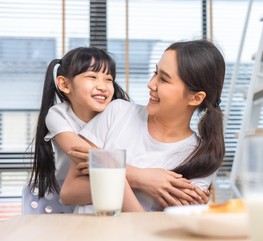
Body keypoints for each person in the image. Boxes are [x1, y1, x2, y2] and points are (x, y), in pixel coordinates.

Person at [61, 39, 226, 212]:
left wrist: (112, 169)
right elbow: (70, 192)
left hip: (137, 238)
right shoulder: (116, 112)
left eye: (163, 79)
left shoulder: (201, 158)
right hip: (86, 235)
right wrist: (139, 177)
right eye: (155, 73)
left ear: (195, 98)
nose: (151, 83)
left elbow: (159, 228)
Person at [22, 46, 130, 214]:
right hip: (69, 198)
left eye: (108, 79)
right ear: (65, 84)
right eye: (92, 77)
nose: (103, 86)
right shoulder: (58, 115)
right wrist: (142, 177)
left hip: (106, 194)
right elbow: (88, 159)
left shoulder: (116, 113)